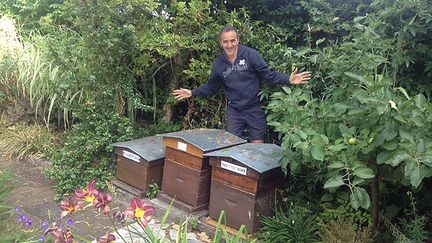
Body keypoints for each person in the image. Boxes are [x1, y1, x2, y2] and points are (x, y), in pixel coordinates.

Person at [173, 26, 311, 143]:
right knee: (231, 145)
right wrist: (192, 92)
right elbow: (211, 86)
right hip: (234, 111)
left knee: (257, 147)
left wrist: (289, 79)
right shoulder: (219, 64)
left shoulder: (250, 55)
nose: (229, 45)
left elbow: (268, 75)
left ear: (238, 40)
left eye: (232, 40)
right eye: (225, 42)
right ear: (221, 43)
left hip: (254, 108)